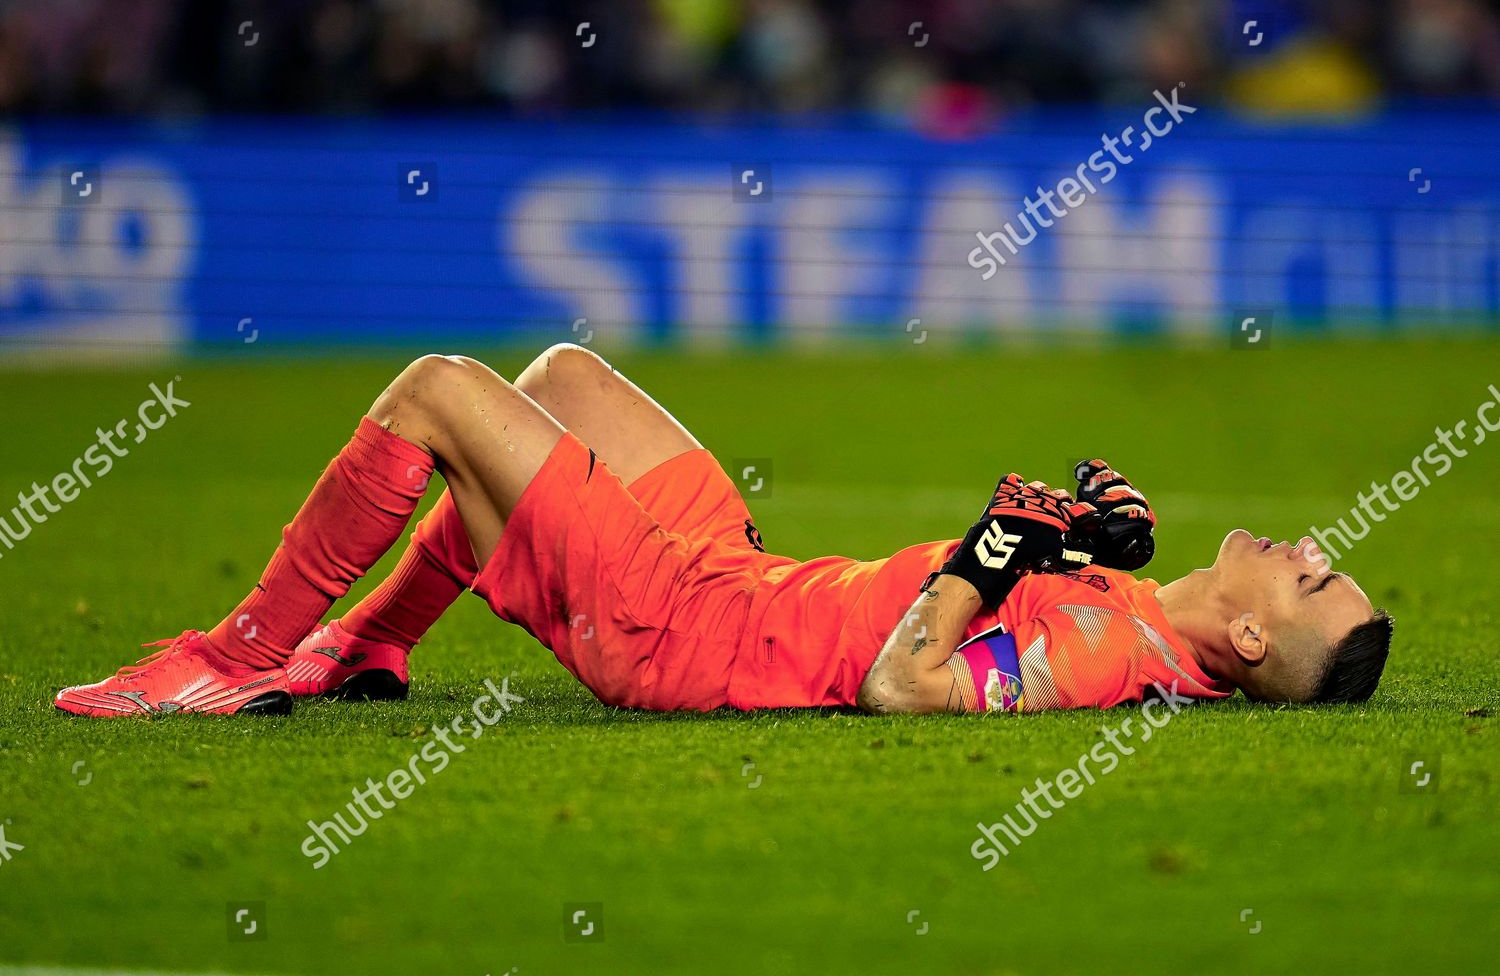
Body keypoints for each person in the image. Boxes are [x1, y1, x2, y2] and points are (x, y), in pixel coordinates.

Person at [55, 345, 1392, 718]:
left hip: (685, 632)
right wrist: (1080, 535)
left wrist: (993, 553)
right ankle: (370, 645)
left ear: (1255, 637)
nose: (1304, 547)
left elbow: (907, 685)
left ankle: (234, 658)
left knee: (439, 395)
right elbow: (1023, 583)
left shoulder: (1110, 660)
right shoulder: (1136, 620)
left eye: (1314, 578)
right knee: (562, 379)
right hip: (744, 581)